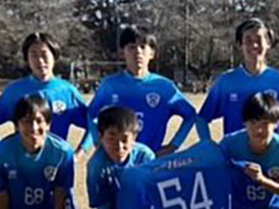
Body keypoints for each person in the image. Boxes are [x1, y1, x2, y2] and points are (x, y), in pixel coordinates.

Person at [87, 26, 203, 156]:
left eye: (143, 46)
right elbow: (91, 114)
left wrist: (173, 146)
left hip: (151, 162)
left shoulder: (164, 87)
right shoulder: (110, 85)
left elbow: (190, 115)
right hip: (116, 160)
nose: (138, 52)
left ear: (152, 53)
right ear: (122, 52)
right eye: (131, 47)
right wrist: (98, 142)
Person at [0, 31, 90, 150]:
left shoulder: (67, 91)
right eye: (33, 55)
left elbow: (94, 126)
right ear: (27, 59)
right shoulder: (15, 91)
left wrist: (79, 153)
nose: (40, 60)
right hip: (23, 165)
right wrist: (2, 152)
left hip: (57, 165)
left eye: (44, 54)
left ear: (54, 56)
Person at [199, 17, 279, 139]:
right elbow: (202, 118)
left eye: (259, 39)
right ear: (239, 45)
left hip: (271, 156)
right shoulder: (226, 82)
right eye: (248, 40)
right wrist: (208, 145)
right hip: (234, 156)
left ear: (268, 43)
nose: (254, 45)